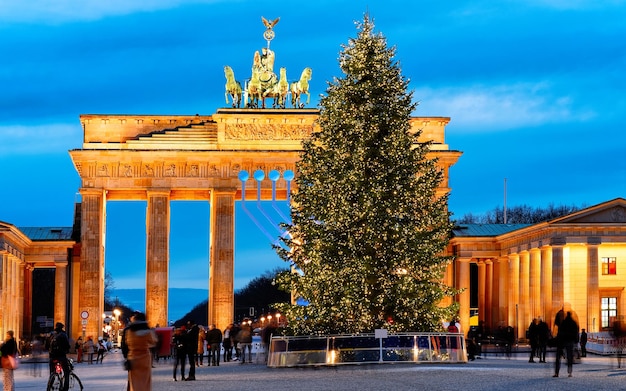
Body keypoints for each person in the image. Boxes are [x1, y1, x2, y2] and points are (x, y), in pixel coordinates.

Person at [121, 311, 158, 391]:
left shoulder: (129, 332)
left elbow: (127, 343)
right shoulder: (148, 332)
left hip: (133, 358)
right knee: (145, 381)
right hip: (145, 358)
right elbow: (153, 342)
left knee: (134, 381)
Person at [554, 310, 579, 377]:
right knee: (569, 357)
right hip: (570, 341)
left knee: (558, 357)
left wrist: (558, 340)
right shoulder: (573, 323)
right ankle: (570, 371)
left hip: (562, 341)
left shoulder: (563, 323)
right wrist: (576, 341)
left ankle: (557, 372)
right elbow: (576, 333)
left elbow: (560, 332)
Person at [47, 323, 71, 391]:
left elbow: (46, 345)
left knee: (52, 373)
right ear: (62, 328)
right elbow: (67, 346)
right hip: (61, 356)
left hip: (52, 357)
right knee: (67, 372)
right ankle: (65, 388)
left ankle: (49, 386)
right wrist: (67, 351)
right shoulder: (63, 335)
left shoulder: (51, 335)